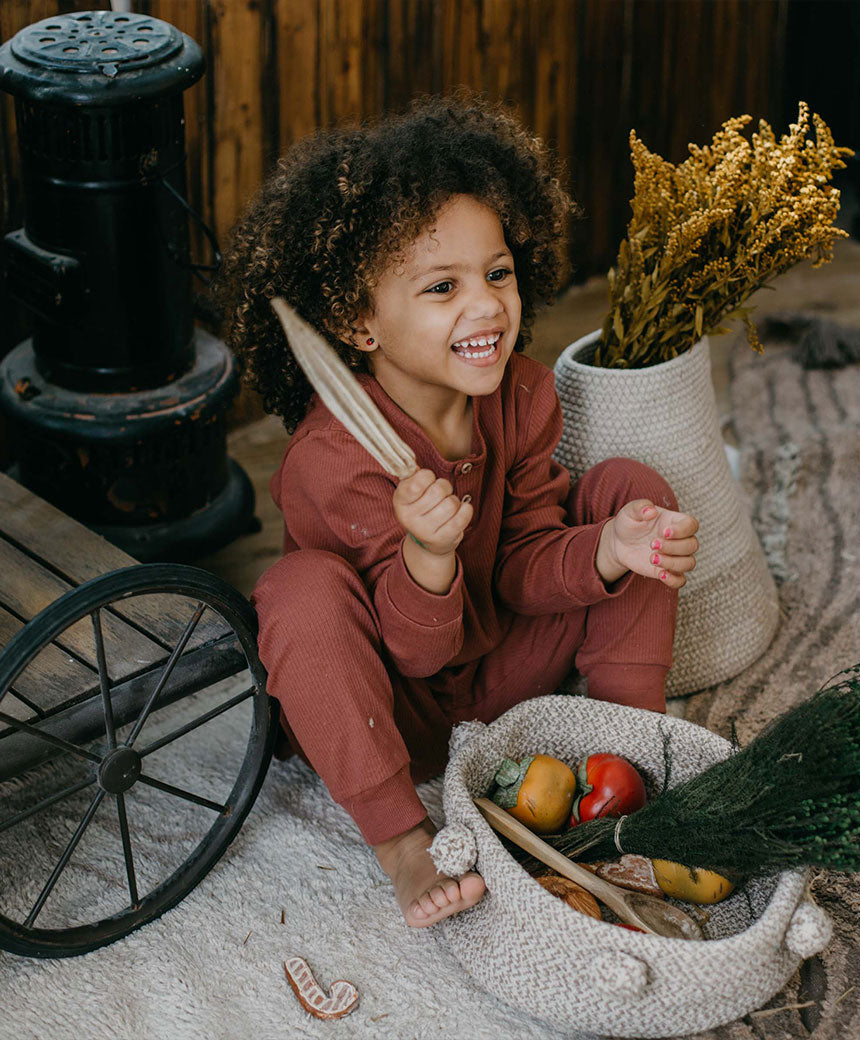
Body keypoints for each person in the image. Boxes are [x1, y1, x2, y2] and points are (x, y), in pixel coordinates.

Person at [215, 89, 699, 929]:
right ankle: (404, 842)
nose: (486, 306)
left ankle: (625, 749)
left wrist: (611, 552)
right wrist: (428, 556)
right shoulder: (330, 463)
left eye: (498, 273)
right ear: (357, 321)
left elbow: (522, 564)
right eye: (442, 287)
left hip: (507, 667)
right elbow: (409, 649)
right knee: (295, 592)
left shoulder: (521, 397)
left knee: (632, 490)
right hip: (396, 707)